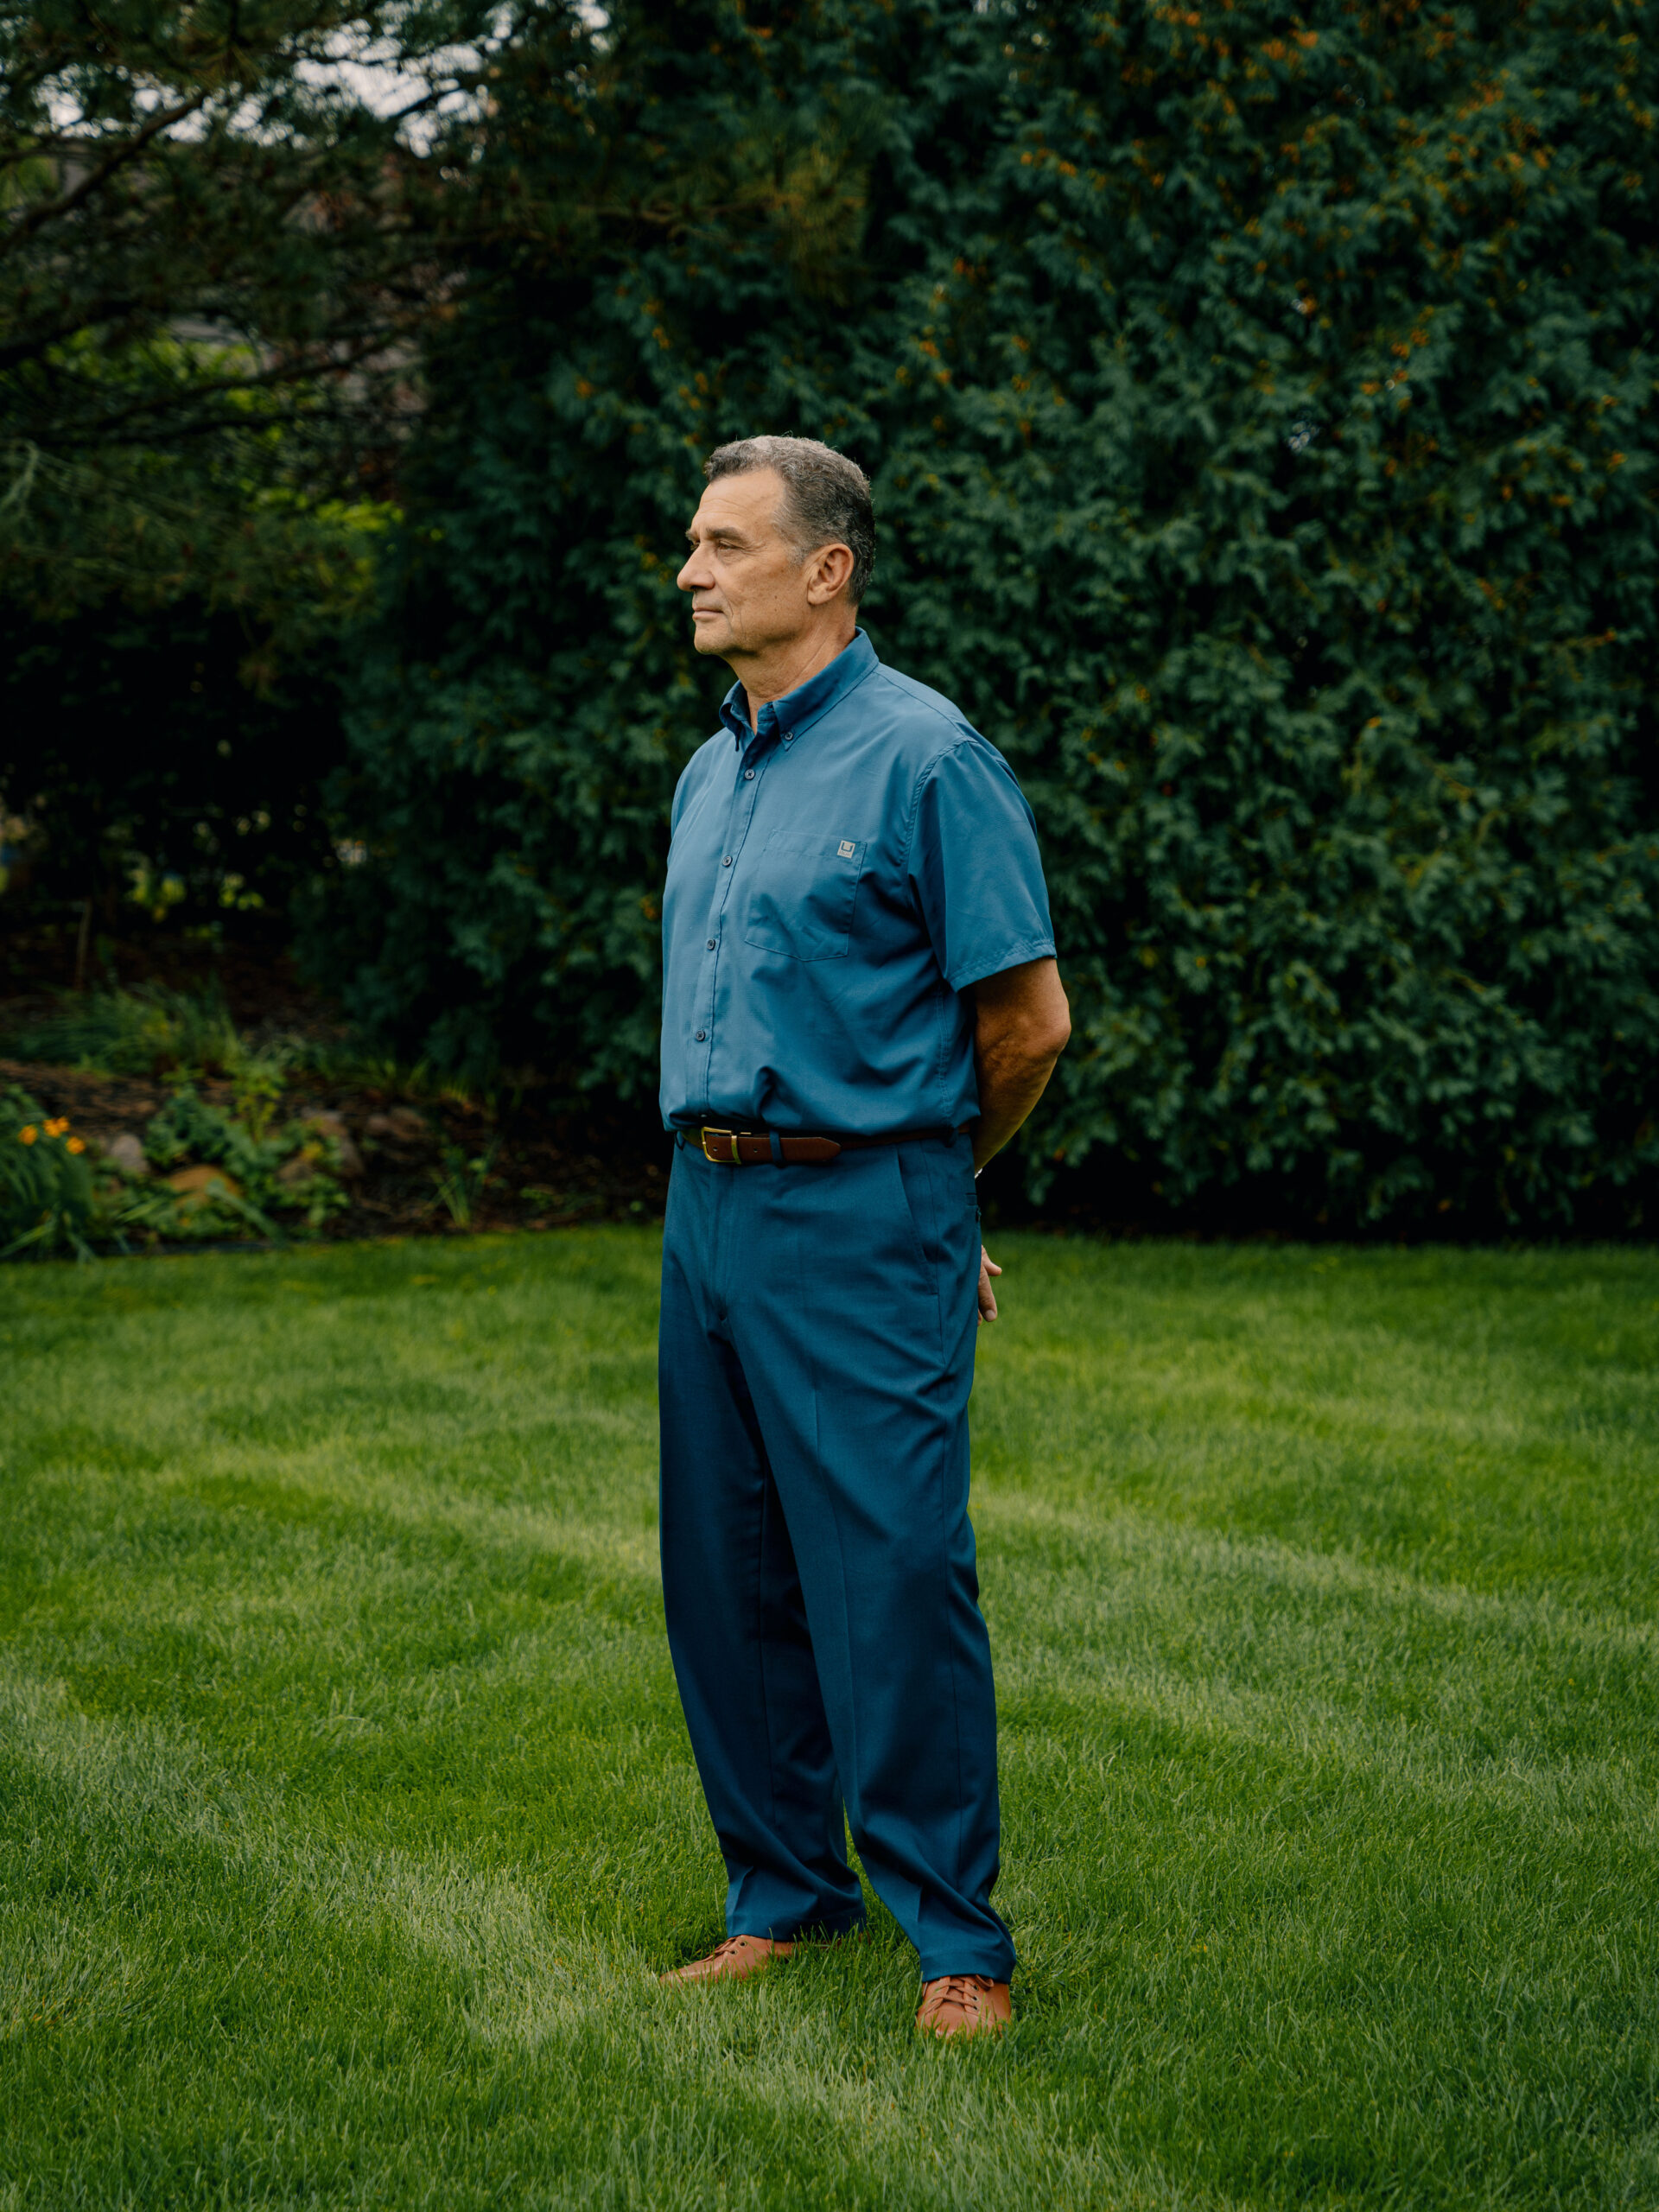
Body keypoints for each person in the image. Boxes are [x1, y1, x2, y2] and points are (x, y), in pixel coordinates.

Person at [656, 435, 1070, 2039]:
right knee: (728, 1572)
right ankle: (784, 1899)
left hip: (866, 1203)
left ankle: (958, 1944)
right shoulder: (712, 766)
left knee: (892, 1577)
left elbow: (1027, 1026)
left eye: (724, 544)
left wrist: (934, 1191)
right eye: (691, 543)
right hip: (706, 1207)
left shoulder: (929, 760)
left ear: (825, 570)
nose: (692, 570)